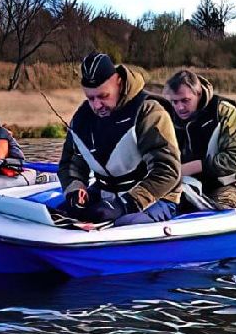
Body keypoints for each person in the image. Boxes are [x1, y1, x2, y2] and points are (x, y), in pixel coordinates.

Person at [57, 52, 181, 226]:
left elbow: (167, 171)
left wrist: (126, 203)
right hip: (106, 194)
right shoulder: (82, 117)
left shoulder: (149, 112)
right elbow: (70, 163)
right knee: (60, 213)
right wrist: (75, 189)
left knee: (125, 222)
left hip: (158, 198)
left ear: (119, 82)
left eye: (103, 96)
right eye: (90, 98)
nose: (96, 105)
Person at [162, 69, 236, 210]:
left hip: (233, 182)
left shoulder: (224, 113)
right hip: (187, 183)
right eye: (174, 102)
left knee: (217, 208)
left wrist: (194, 167)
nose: (180, 107)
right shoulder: (167, 116)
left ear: (198, 94)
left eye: (185, 100)